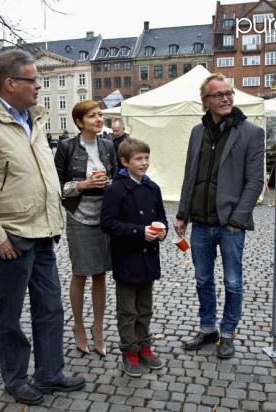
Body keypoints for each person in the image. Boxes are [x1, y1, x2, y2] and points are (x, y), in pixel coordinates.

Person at [0, 50, 85, 406]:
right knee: (11, 313)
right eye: (32, 79)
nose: (39, 85)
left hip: (43, 232)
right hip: (12, 237)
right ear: (10, 83)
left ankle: (49, 373)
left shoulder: (36, 117)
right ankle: (15, 378)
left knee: (50, 308)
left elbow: (43, 174)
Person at [174, 73, 264, 359]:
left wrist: (238, 219)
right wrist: (182, 214)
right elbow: (190, 175)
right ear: (205, 102)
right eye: (218, 94)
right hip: (200, 223)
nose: (225, 98)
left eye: (228, 93)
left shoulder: (250, 132)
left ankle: (227, 334)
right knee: (202, 280)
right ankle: (207, 328)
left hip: (230, 225)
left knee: (233, 282)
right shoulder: (197, 132)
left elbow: (255, 181)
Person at [100, 137, 167, 378]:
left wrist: (162, 231)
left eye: (146, 157)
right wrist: (140, 232)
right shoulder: (116, 188)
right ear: (124, 161)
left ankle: (144, 346)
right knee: (127, 310)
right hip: (127, 259)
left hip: (148, 258)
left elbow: (161, 215)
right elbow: (107, 223)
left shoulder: (152, 187)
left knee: (145, 307)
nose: (144, 162)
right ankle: (129, 351)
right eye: (139, 158)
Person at [54, 100, 116, 357]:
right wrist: (84, 184)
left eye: (100, 115)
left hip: (105, 217)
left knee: (100, 274)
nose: (98, 119)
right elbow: (57, 187)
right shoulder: (66, 147)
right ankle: (79, 327)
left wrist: (108, 183)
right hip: (79, 217)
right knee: (80, 273)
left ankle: (98, 329)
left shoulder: (108, 145)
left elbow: (117, 178)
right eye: (92, 116)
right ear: (80, 122)